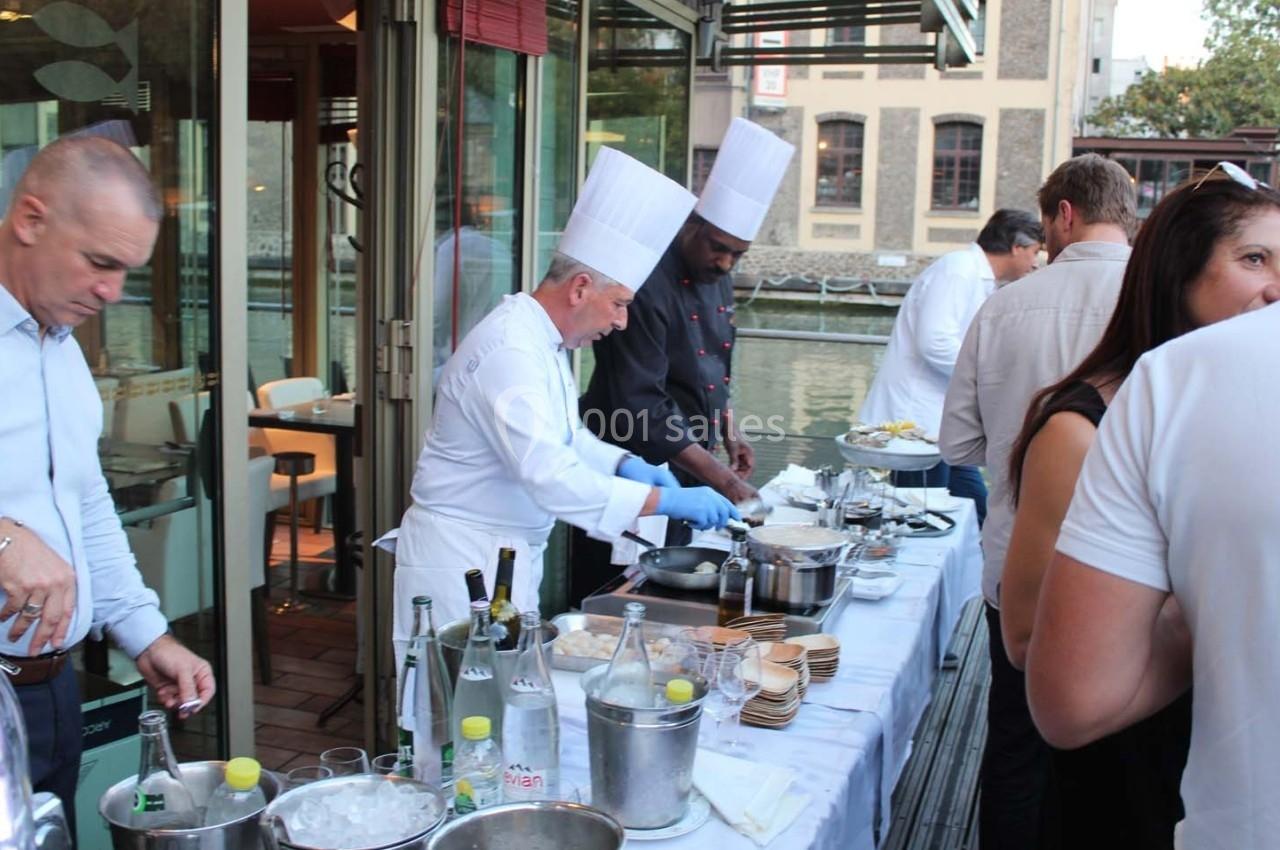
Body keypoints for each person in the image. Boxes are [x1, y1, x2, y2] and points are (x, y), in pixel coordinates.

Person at [1004, 172, 1280, 847]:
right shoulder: (1084, 427)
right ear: (1176, 273)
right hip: (1130, 763)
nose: (1276, 289)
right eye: (1254, 260)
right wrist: (1219, 604)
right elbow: (1024, 638)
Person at [387, 148, 738, 662]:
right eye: (618, 304)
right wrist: (664, 502)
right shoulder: (510, 351)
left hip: (501, 558)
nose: (621, 322)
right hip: (461, 563)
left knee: (499, 717)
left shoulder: (543, 342)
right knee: (454, 724)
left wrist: (629, 464)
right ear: (580, 289)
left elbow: (570, 439)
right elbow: (549, 476)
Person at [0, 136, 216, 835]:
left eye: (126, 271)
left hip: (49, 687)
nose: (112, 292)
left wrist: (146, 634)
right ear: (30, 219)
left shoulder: (59, 347)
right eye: (100, 263)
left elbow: (86, 505)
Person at [936, 153, 1135, 849]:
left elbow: (957, 444)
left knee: (1015, 742)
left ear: (1064, 216)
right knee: (1112, 752)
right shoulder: (1162, 301)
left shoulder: (1004, 306)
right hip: (1128, 574)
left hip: (1018, 563)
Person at [571, 118, 793, 603]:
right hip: (628, 453)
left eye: (739, 254)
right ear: (690, 224)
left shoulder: (718, 276)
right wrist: (725, 478)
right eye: (719, 248)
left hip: (689, 458)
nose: (726, 264)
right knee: (617, 590)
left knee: (674, 580)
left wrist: (729, 427)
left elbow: (714, 363)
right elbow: (642, 406)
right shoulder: (645, 284)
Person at [859, 209, 1043, 526]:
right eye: (1035, 252)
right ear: (1016, 247)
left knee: (975, 511)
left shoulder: (978, 278)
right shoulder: (958, 270)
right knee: (923, 519)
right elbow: (935, 342)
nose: (1036, 262)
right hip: (917, 422)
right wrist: (988, 380)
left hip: (944, 425)